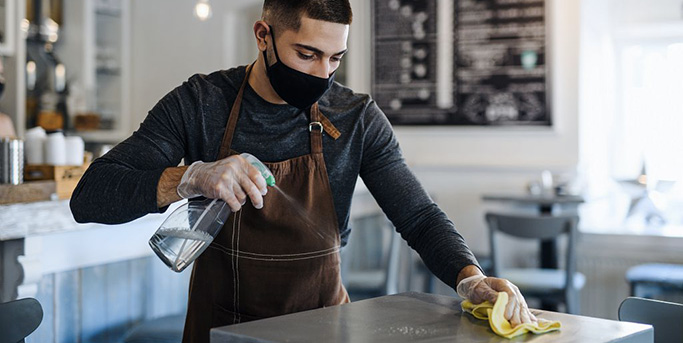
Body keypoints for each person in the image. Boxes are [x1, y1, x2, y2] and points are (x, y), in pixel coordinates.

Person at [70, 1, 536, 342]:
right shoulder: (200, 104)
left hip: (325, 332)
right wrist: (190, 177)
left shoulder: (355, 116)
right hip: (222, 333)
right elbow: (90, 196)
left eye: (335, 59)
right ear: (262, 35)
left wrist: (470, 277)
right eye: (307, 54)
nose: (322, 74)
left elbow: (417, 216)